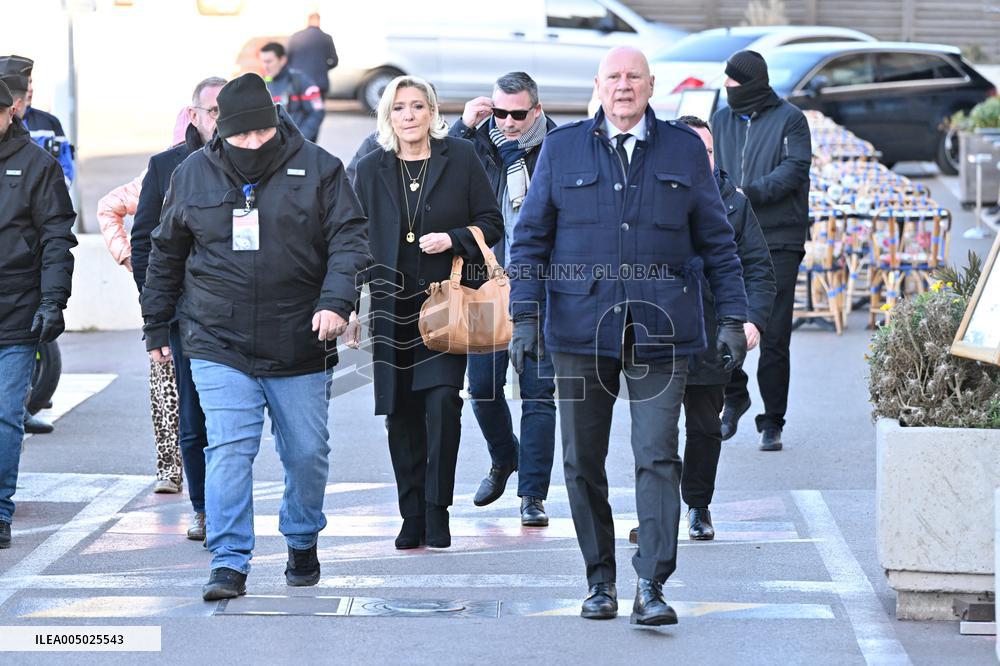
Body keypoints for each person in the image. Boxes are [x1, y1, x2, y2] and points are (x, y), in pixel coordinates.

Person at [508, 47, 747, 625]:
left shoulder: (684, 150)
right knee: (581, 459)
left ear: (650, 86)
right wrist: (524, 316)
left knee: (657, 454)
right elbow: (531, 239)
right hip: (579, 329)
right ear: (598, 86)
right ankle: (599, 581)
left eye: (633, 77)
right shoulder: (562, 151)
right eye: (613, 77)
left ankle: (652, 585)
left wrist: (733, 319)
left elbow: (718, 242)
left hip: (662, 331)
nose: (623, 86)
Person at [140, 73, 368, 599]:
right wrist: (156, 325)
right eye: (240, 137)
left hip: (300, 340)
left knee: (306, 452)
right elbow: (166, 253)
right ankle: (228, 559)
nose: (251, 145)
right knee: (228, 449)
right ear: (221, 131)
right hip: (218, 340)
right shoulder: (193, 173)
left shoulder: (319, 168)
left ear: (275, 123)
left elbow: (349, 240)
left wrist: (336, 302)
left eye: (260, 135)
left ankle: (302, 537)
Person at [353, 75, 502, 551]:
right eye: (400, 108)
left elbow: (491, 222)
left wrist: (455, 238)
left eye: (418, 106)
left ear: (433, 112)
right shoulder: (371, 168)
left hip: (447, 306)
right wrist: (351, 307)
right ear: (388, 116)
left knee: (441, 403)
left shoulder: (459, 158)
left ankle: (437, 511)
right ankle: (410, 513)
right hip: (392, 308)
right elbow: (352, 242)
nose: (410, 116)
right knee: (400, 414)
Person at [628, 115, 775, 545]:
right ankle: (656, 513)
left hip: (714, 334)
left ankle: (697, 505)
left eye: (707, 151)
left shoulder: (735, 203)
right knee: (655, 430)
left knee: (705, 427)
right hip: (658, 332)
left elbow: (759, 271)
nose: (701, 158)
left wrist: (752, 320)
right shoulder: (645, 196)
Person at [448, 72, 557, 526]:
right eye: (500, 112)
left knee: (537, 393)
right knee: (484, 389)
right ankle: (504, 456)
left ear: (535, 109)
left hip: (539, 284)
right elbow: (438, 171)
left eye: (517, 114)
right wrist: (461, 127)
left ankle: (533, 494)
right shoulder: (476, 145)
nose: (508, 123)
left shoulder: (557, 147)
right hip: (484, 283)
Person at [132, 77, 227, 537]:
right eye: (212, 111)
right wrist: (157, 314)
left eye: (226, 111)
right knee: (192, 416)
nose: (220, 120)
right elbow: (145, 242)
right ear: (193, 115)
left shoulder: (252, 163)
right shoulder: (167, 166)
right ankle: (204, 507)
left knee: (231, 419)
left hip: (236, 312)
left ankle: (228, 505)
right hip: (183, 316)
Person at [711, 50, 812, 452]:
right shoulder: (720, 119)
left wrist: (746, 194)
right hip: (728, 235)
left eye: (733, 82)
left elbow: (794, 169)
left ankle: (773, 421)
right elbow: (710, 166)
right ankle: (735, 395)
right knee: (721, 321)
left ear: (751, 83)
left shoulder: (791, 119)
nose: (726, 88)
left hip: (779, 238)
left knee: (772, 333)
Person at [0, 78, 77, 549]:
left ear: (10, 112)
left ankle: (0, 510)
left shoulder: (37, 165)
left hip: (16, 310)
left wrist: (53, 301)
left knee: (6, 415)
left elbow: (57, 239)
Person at [259, 42, 324, 142]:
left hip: (299, 147)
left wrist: (300, 138)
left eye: (269, 61)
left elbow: (317, 112)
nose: (265, 66)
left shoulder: (302, 80)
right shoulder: (263, 83)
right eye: (263, 62)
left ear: (282, 60)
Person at [287, 12, 338, 99]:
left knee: (297, 109)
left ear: (308, 21)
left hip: (298, 81)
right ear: (319, 21)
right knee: (317, 109)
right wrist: (324, 68)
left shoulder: (296, 36)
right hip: (319, 83)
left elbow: (287, 59)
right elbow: (334, 61)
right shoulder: (326, 38)